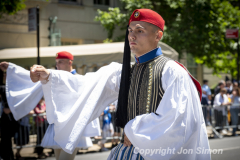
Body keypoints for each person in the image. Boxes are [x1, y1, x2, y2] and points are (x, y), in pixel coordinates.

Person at [30, 9, 210, 160]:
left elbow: (177, 120)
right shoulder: (125, 71)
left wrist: (133, 131)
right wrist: (49, 76)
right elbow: (86, 85)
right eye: (130, 30)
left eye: (139, 30)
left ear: (158, 35)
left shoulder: (172, 71)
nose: (132, 36)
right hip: (128, 152)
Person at [0, 51, 100, 160]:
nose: (57, 65)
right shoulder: (52, 77)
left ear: (70, 62)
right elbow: (30, 78)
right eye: (56, 62)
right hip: (57, 126)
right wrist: (11, 67)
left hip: (72, 127)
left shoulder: (79, 79)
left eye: (61, 62)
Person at [0, 71, 19, 160]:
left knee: (6, 142)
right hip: (4, 119)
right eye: (4, 75)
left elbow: (20, 104)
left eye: (6, 75)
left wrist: (10, 110)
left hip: (8, 120)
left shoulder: (14, 89)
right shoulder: (2, 88)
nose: (4, 76)